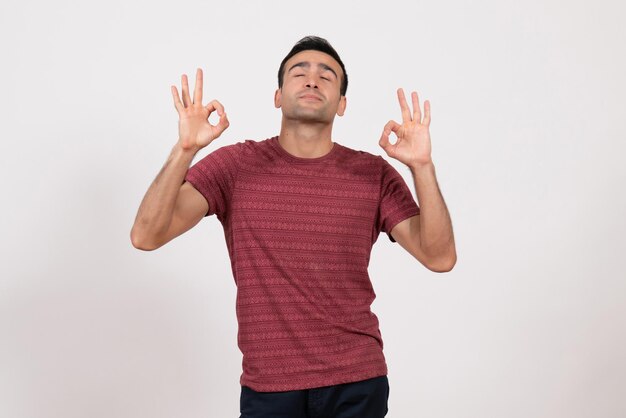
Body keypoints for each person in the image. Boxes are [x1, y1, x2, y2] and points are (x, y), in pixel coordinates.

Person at [131, 35, 456, 418]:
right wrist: (184, 150)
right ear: (278, 96)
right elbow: (146, 235)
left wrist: (422, 167)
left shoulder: (373, 174)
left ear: (342, 104)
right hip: (269, 387)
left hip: (357, 381)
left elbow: (439, 256)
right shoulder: (234, 167)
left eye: (327, 76)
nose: (312, 80)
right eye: (299, 73)